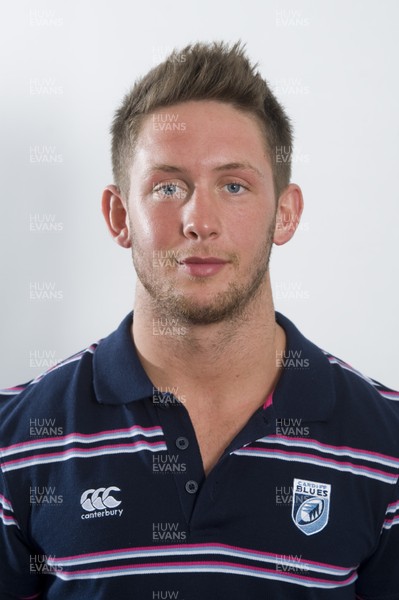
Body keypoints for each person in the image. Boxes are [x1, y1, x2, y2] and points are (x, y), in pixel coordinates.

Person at [1, 41, 398, 600]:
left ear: (285, 213)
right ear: (119, 215)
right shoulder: (14, 439)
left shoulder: (387, 444)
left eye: (234, 185)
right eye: (168, 186)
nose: (199, 221)